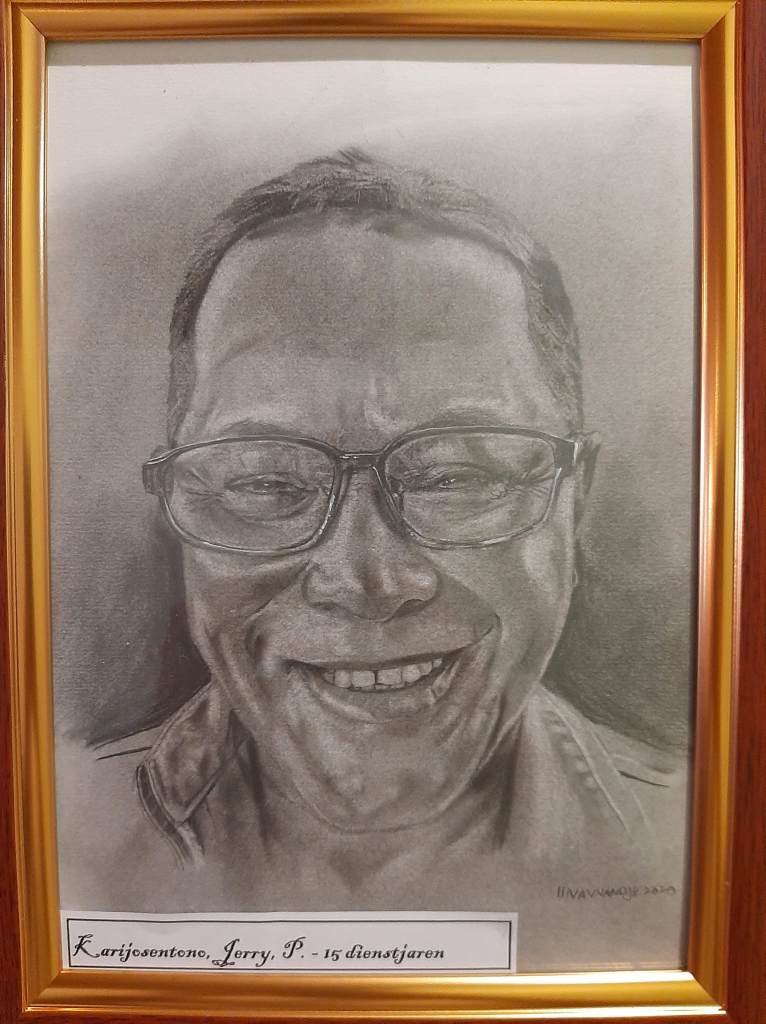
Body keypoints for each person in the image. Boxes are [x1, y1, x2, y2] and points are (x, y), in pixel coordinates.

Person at [61, 150, 688, 969]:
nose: (365, 580)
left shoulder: (693, 844)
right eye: (266, 481)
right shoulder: (59, 840)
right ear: (178, 510)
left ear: (577, 498)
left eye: (457, 476)